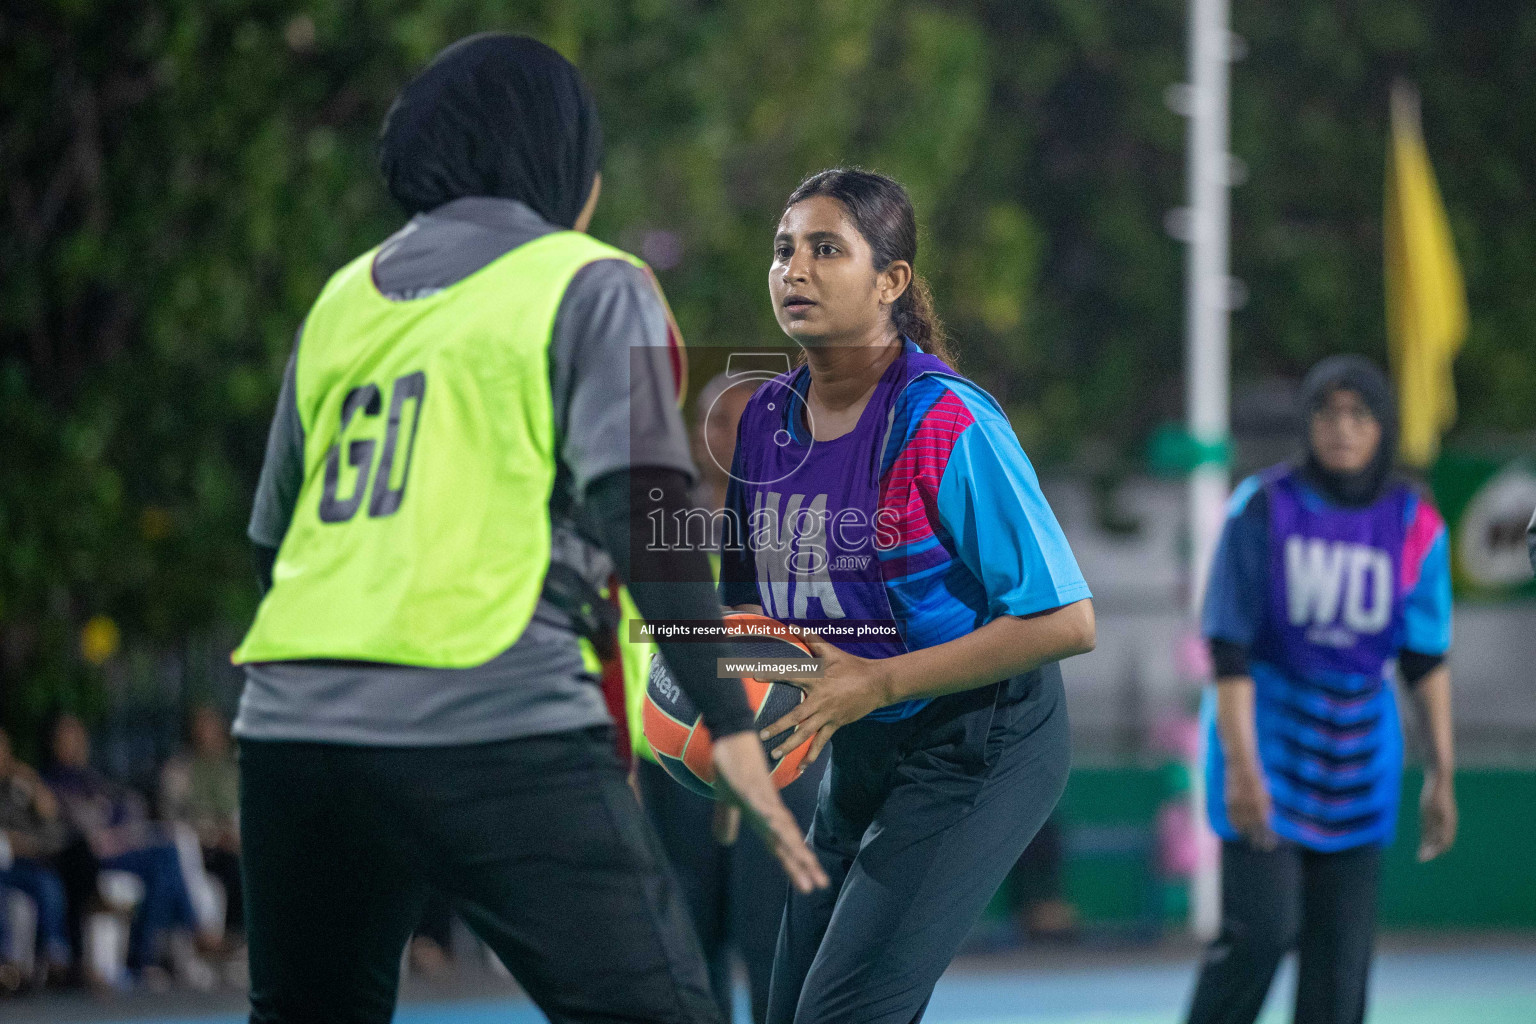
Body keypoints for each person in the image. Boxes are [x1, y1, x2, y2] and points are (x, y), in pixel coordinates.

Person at [230, 33, 824, 1024]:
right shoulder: (590, 281)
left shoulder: (341, 299)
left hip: (292, 723)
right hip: (495, 712)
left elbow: (272, 543)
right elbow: (645, 519)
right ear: (561, 162)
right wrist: (728, 721)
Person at [719, 168, 1096, 1024]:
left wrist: (878, 683)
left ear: (890, 281)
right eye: (783, 251)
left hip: (981, 739)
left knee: (842, 1015)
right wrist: (704, 711)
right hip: (861, 739)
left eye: (825, 249)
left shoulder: (943, 423)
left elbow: (1069, 621)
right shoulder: (764, 422)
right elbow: (746, 619)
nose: (794, 270)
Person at [1183, 355, 1457, 1024]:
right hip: (1268, 755)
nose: (1341, 428)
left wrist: (1442, 774)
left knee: (1340, 972)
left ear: (1382, 428)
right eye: (1327, 413)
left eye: (1359, 414)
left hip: (1361, 771)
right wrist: (1244, 771)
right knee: (1261, 934)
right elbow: (1230, 650)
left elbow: (1425, 660)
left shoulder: (1414, 524)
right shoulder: (1263, 508)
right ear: (1307, 424)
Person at [630, 371, 828, 1024]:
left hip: (774, 752)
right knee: (684, 936)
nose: (734, 438)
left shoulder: (805, 530)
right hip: (672, 759)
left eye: (750, 424)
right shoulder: (659, 528)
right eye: (720, 423)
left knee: (767, 930)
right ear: (697, 436)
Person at [42, 714, 217, 987]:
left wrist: (122, 828)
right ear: (54, 743)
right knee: (165, 857)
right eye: (68, 737)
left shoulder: (91, 778)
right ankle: (188, 933)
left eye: (79, 736)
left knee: (165, 857)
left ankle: (148, 958)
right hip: (90, 861)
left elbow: (120, 810)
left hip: (120, 849)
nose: (76, 743)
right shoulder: (51, 783)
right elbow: (74, 828)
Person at [159, 706, 243, 939]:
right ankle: (228, 938)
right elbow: (173, 819)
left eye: (213, 728)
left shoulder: (233, 769)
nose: (208, 735)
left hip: (232, 843)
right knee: (233, 869)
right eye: (202, 728)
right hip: (198, 848)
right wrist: (214, 835)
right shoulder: (179, 771)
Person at [0, 727, 72, 986]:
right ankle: (7, 967)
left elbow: (49, 815)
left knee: (47, 882)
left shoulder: (17, 786)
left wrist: (32, 779)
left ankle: (55, 953)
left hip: (18, 866)